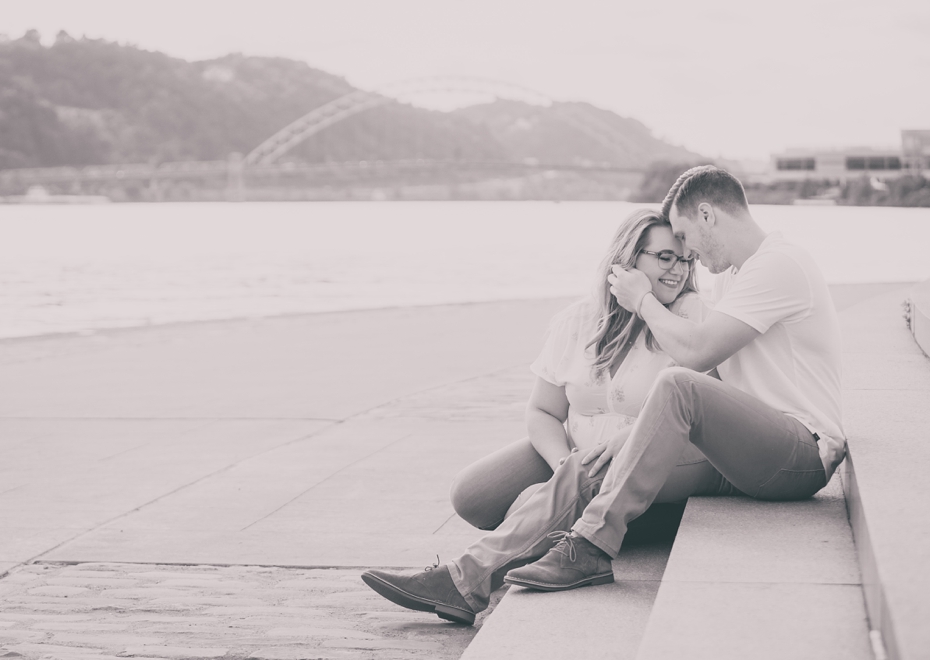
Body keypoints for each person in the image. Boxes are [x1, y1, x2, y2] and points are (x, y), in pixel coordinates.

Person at [361, 165, 845, 627]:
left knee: (673, 388)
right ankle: (468, 581)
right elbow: (548, 409)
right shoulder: (737, 276)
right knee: (548, 473)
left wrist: (642, 301)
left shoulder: (778, 265)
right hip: (746, 446)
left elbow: (696, 356)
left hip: (800, 446)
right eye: (670, 252)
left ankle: (584, 547)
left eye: (686, 239)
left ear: (706, 215)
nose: (688, 255)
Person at [447, 208, 706, 535]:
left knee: (530, 501)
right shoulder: (578, 320)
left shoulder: (690, 317)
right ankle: (570, 519)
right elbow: (542, 410)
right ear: (628, 258)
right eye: (666, 257)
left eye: (686, 260)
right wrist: (562, 467)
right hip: (576, 456)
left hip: (645, 466)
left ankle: (474, 572)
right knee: (472, 494)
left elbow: (699, 410)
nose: (679, 271)